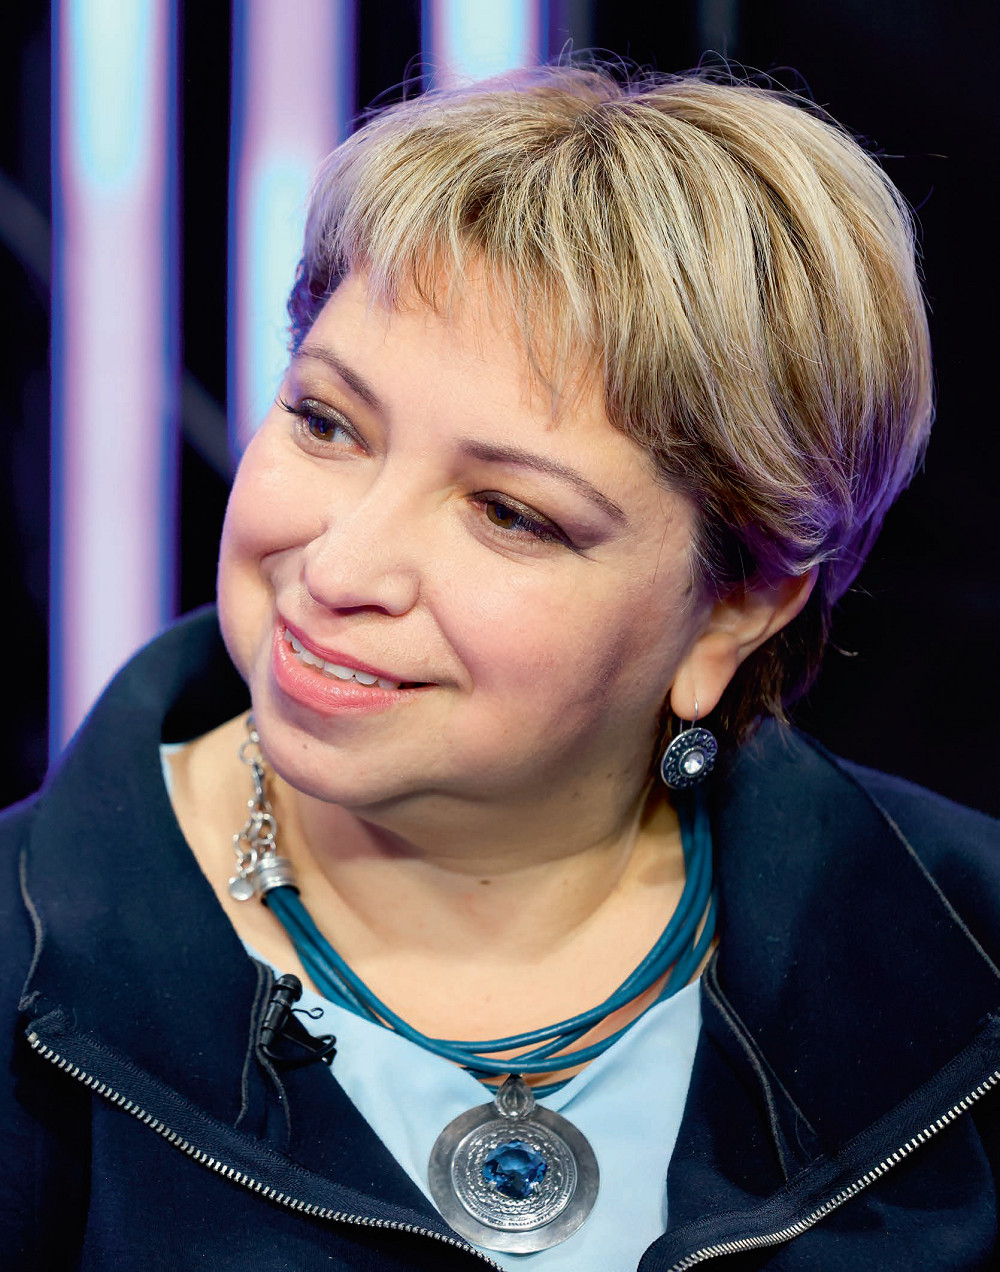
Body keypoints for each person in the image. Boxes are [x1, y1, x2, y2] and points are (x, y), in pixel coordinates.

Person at [3, 63, 999, 1271]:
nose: (341, 565)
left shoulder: (971, 957)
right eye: (326, 422)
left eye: (508, 513)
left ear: (733, 608)